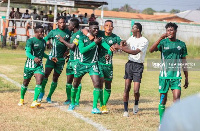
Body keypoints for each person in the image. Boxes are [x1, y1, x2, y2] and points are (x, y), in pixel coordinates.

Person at [68, 21, 112, 114]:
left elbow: (108, 48)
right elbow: (82, 50)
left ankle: (94, 107)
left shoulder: (99, 39)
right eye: (94, 29)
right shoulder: (82, 38)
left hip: (93, 65)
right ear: (89, 29)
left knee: (97, 84)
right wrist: (94, 43)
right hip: (81, 64)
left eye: (97, 28)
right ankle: (72, 103)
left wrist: (109, 53)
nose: (96, 30)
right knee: (75, 84)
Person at [149, 22, 189, 123]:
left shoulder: (181, 44)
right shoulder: (163, 42)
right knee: (163, 100)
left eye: (171, 30)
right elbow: (151, 50)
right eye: (167, 30)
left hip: (176, 77)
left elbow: (184, 61)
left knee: (177, 99)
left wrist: (186, 78)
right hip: (164, 77)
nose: (169, 32)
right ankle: (162, 122)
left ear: (176, 31)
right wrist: (160, 38)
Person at [112, 23, 149, 117]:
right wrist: (123, 43)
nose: (131, 29)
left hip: (138, 66)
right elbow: (126, 46)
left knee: (136, 90)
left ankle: (136, 104)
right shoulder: (131, 38)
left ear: (138, 30)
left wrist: (120, 47)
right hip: (129, 64)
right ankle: (125, 110)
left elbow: (134, 52)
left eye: (133, 28)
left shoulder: (144, 41)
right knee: (127, 88)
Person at [37, 16, 71, 103]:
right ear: (57, 23)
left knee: (55, 78)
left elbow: (71, 44)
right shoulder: (53, 32)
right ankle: (42, 92)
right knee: (46, 75)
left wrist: (67, 51)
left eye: (63, 22)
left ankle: (49, 97)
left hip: (61, 59)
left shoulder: (68, 32)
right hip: (52, 57)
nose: (62, 24)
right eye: (60, 22)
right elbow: (44, 40)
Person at [96, 20, 124, 113]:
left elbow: (122, 43)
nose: (108, 27)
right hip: (99, 63)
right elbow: (85, 30)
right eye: (106, 25)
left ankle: (103, 105)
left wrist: (122, 44)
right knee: (99, 83)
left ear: (113, 28)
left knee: (108, 84)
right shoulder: (99, 33)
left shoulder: (115, 37)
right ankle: (97, 104)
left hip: (109, 65)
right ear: (103, 26)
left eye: (110, 26)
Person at [18, 26, 47, 108]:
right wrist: (34, 58)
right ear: (36, 32)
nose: (42, 33)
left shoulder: (43, 41)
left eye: (43, 31)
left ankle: (34, 101)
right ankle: (21, 99)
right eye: (40, 32)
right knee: (25, 83)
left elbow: (42, 54)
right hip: (29, 66)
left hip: (39, 65)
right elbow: (27, 53)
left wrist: (50, 57)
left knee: (39, 81)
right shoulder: (30, 41)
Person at [57, 18, 84, 106]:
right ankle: (69, 98)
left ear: (74, 26)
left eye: (69, 25)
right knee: (69, 81)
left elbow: (72, 46)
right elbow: (72, 48)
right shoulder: (73, 33)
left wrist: (62, 40)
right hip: (71, 60)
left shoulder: (79, 35)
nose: (68, 26)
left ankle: (76, 100)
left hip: (77, 61)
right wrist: (67, 53)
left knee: (77, 81)